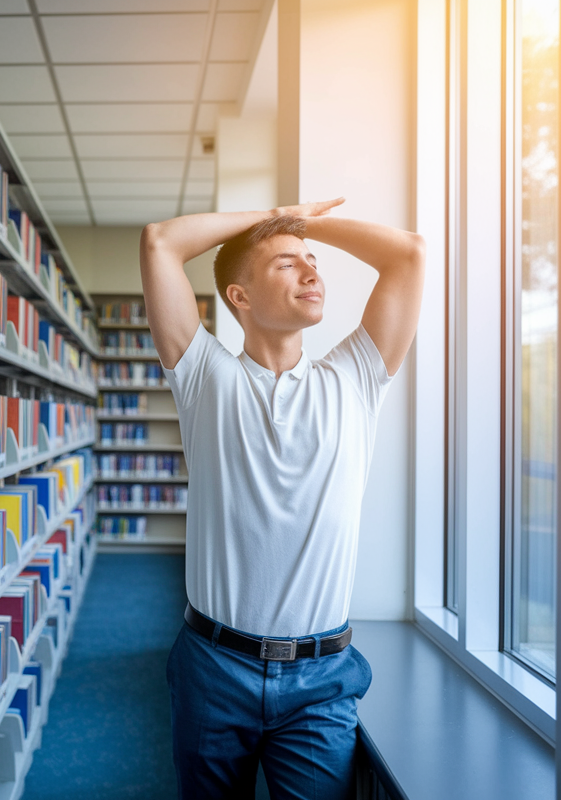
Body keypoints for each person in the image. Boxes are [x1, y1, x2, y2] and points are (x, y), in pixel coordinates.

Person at [139, 198, 424, 800]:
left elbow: (407, 254)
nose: (312, 273)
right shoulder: (205, 376)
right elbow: (161, 241)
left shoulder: (355, 377)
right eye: (287, 265)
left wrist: (297, 228)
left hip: (322, 678)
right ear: (238, 296)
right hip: (214, 666)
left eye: (313, 262)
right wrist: (273, 215)